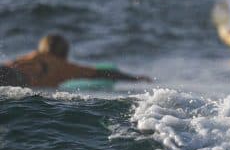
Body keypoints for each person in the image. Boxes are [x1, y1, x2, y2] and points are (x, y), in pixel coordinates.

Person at [0, 34, 151, 88]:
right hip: (19, 81)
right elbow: (103, 73)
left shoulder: (35, 55)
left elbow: (11, 64)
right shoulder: (66, 68)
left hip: (10, 73)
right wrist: (135, 78)